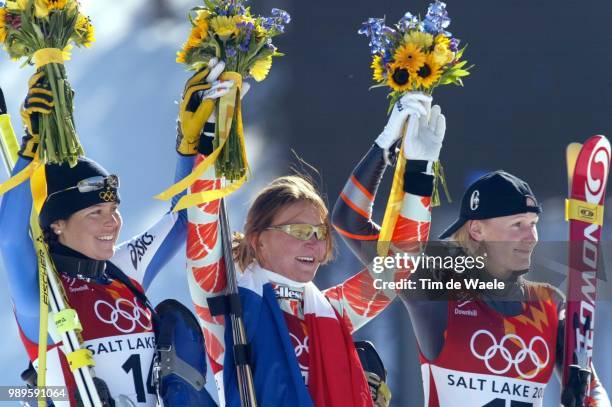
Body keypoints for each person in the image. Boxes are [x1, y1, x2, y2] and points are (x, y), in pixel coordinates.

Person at [332, 93, 611, 406]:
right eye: (516, 224)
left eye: (533, 223)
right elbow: (348, 221)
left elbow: (593, 388)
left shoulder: (547, 304)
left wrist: (591, 401)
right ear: (477, 230)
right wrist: (387, 146)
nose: (531, 236)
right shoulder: (439, 289)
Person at [179, 89, 439, 407]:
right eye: (299, 230)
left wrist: (415, 165)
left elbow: (400, 264)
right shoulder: (224, 300)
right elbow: (203, 220)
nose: (313, 243)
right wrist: (211, 136)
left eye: (319, 233)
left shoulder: (331, 311)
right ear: (259, 239)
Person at [0, 61, 232, 406]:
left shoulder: (123, 269)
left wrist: (190, 143)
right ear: (57, 224)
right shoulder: (44, 292)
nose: (112, 223)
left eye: (113, 211)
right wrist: (28, 153)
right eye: (95, 213)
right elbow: (9, 239)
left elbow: (185, 217)